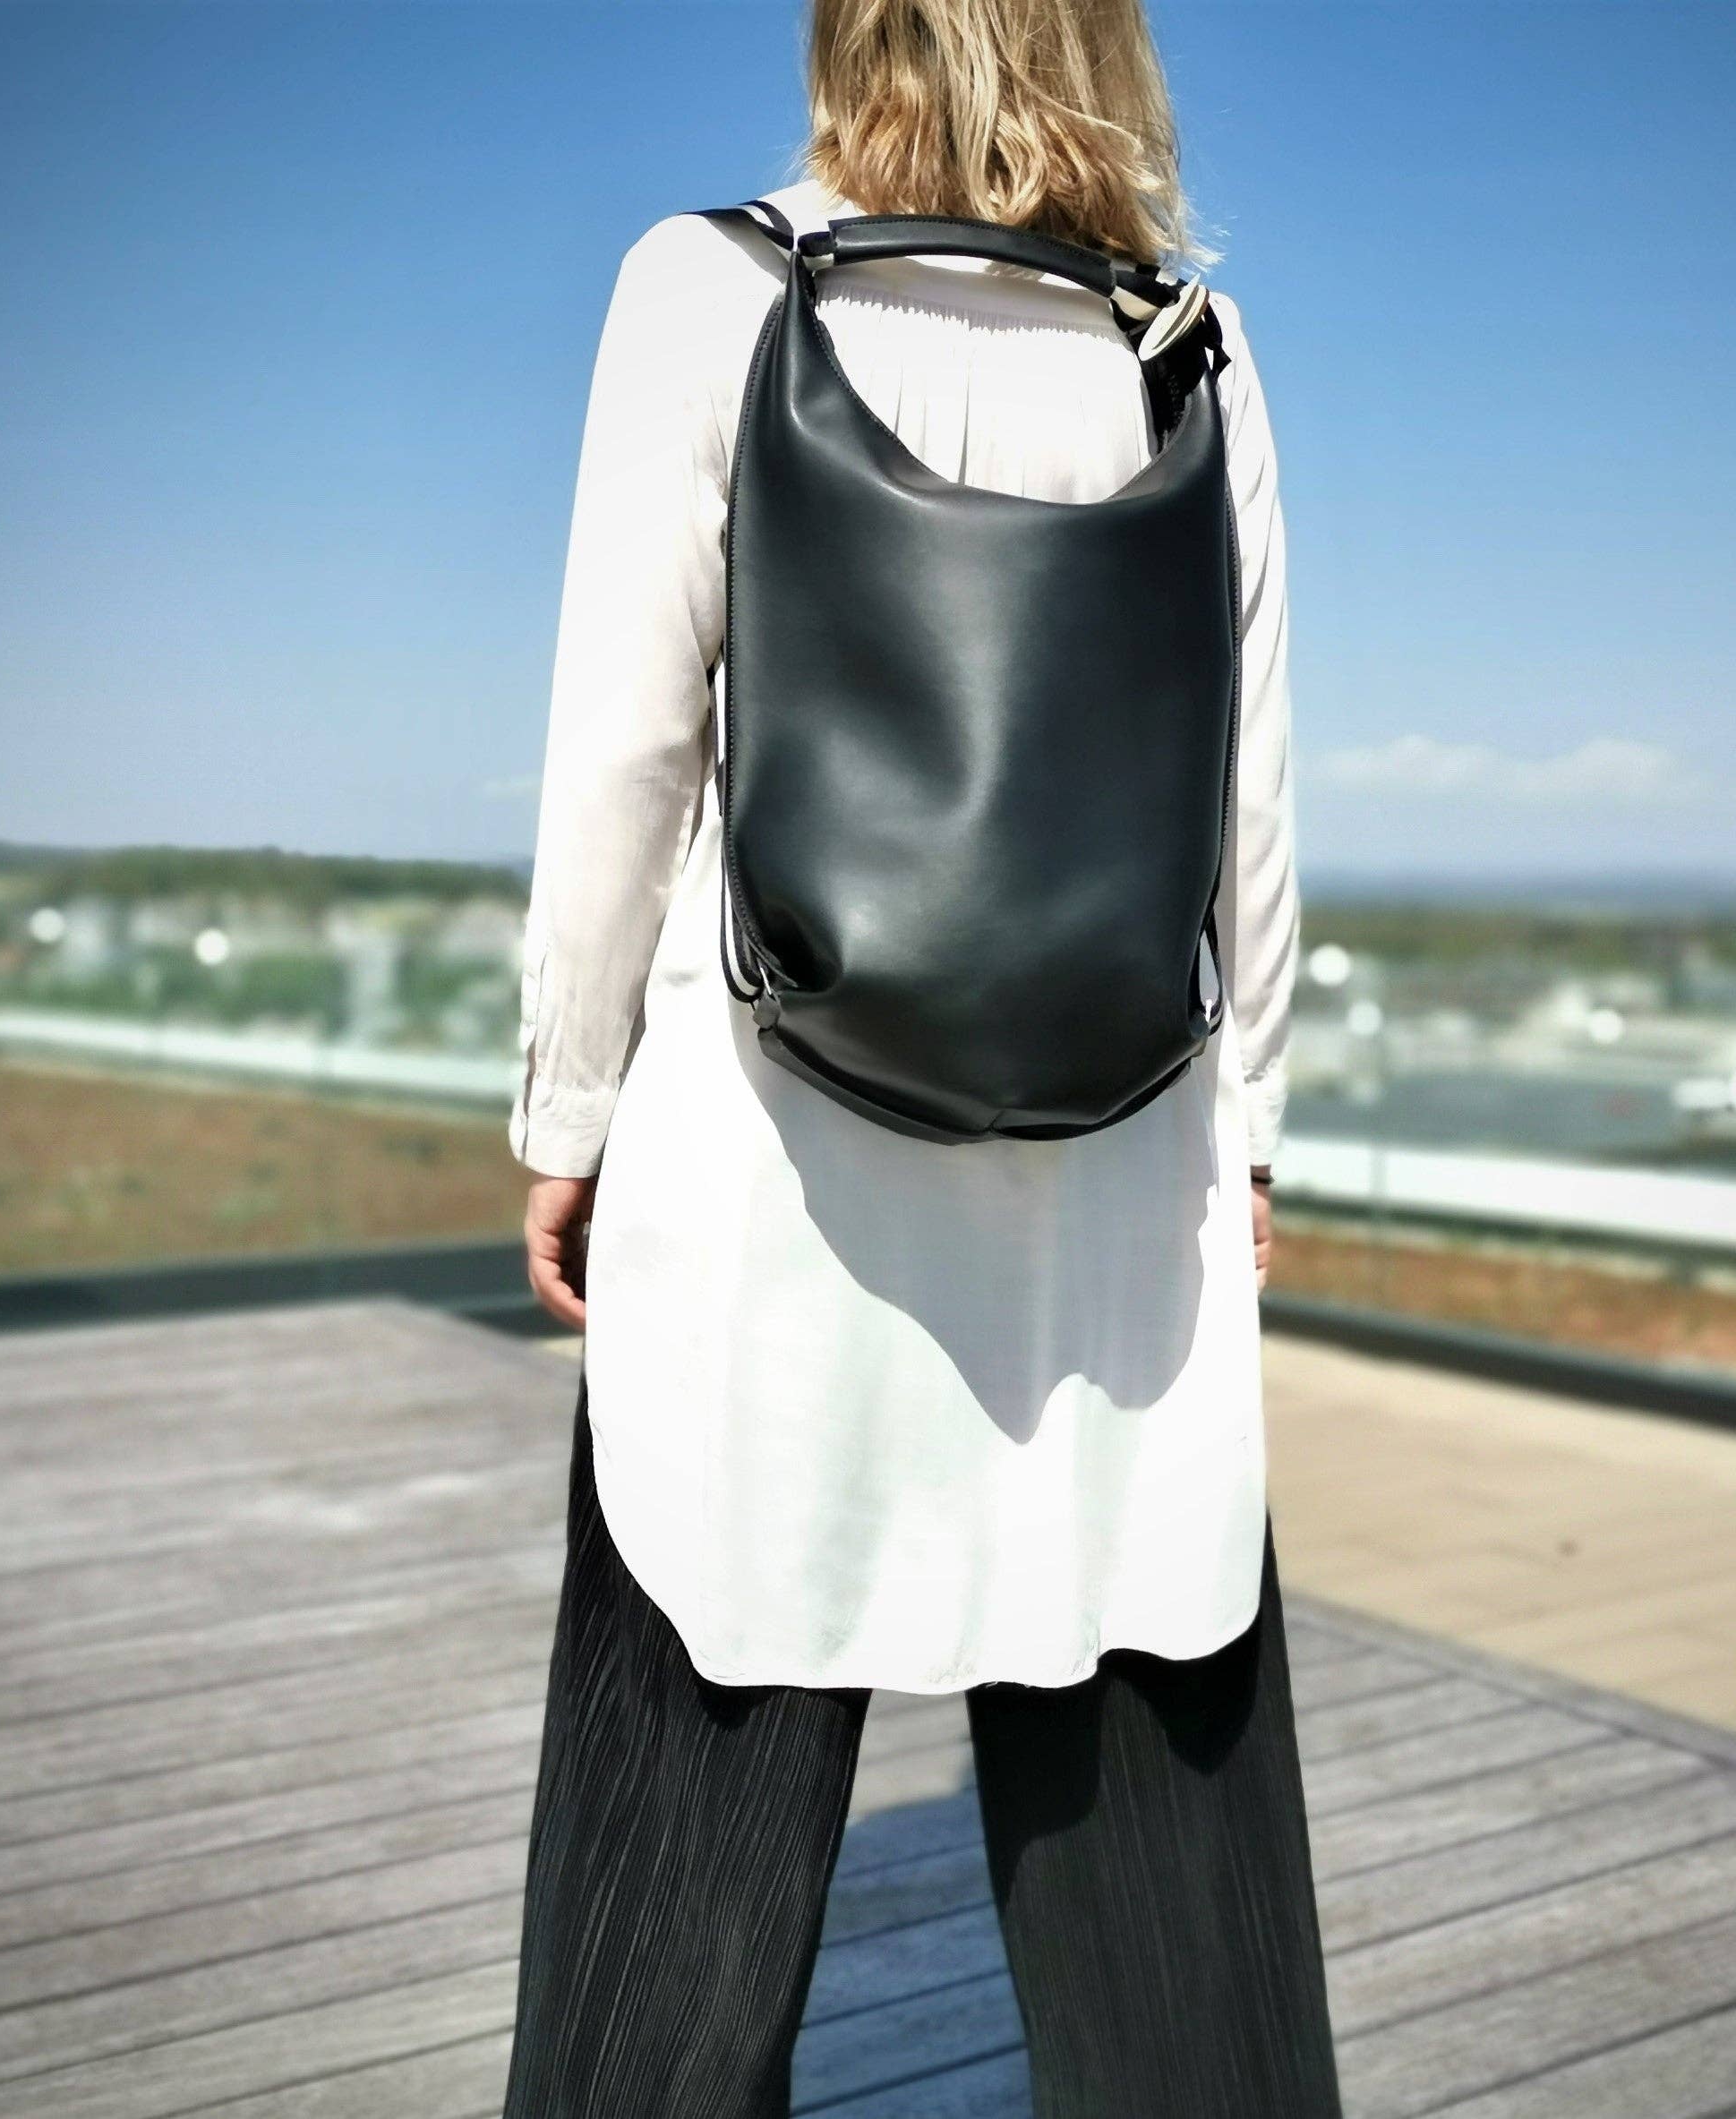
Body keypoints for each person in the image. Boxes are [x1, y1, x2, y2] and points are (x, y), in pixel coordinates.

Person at [499, 2, 1340, 2113]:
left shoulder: (711, 287)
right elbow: (1244, 796)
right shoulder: (1188, 351)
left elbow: (622, 756)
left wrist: (568, 1105)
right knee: (1164, 1828)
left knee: (679, 1818)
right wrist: (1245, 1119)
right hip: (1115, 1166)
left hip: (771, 1153)